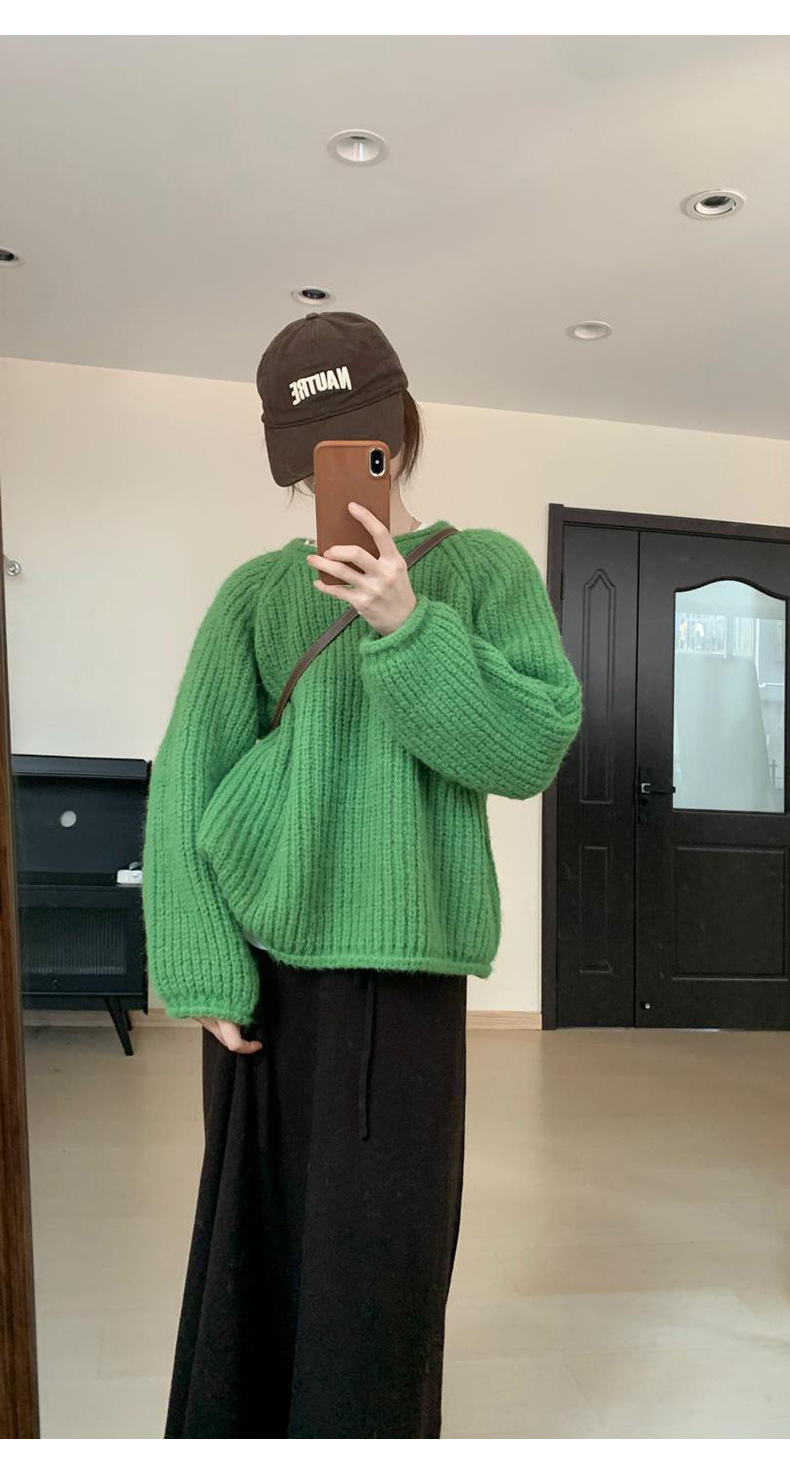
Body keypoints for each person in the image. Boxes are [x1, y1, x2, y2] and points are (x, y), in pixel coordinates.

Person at [141, 310, 583, 1438]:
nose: (339, 470)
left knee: (381, 1265)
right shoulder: (255, 592)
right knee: (251, 1247)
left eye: (362, 442)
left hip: (408, 968)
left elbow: (527, 750)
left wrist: (404, 623)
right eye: (318, 451)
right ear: (292, 462)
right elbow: (189, 773)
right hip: (265, 964)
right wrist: (199, 962)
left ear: (402, 434)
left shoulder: (484, 571)